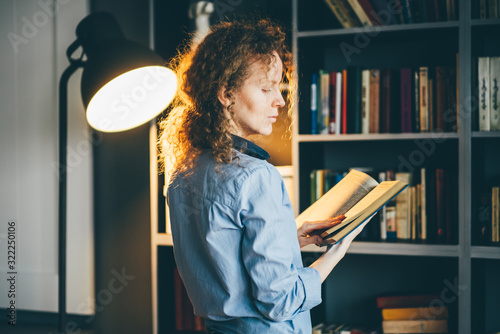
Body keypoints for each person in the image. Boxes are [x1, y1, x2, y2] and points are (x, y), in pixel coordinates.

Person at [159, 19, 369, 334]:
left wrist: (288, 238)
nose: (280, 100)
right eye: (266, 87)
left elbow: (222, 252)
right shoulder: (256, 176)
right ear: (225, 93)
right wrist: (337, 250)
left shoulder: (184, 169)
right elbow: (280, 301)